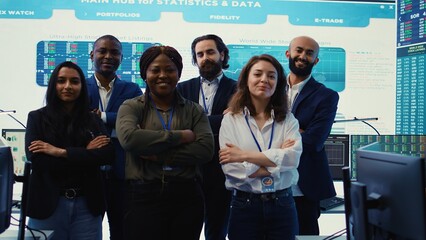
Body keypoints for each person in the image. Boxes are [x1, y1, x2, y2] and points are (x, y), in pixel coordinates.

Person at [116, 45, 214, 240]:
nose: (163, 75)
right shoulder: (131, 106)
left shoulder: (194, 110)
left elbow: (205, 150)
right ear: (145, 74)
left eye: (170, 70)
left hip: (186, 195)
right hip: (143, 195)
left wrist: (158, 154)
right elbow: (130, 139)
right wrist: (180, 136)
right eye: (155, 70)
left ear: (178, 74)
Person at [24, 61, 115, 240]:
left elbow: (107, 155)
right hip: (48, 205)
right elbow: (39, 161)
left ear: (82, 86)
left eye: (74, 81)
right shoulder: (37, 118)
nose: (67, 86)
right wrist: (86, 153)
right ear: (53, 85)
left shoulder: (93, 120)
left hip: (87, 206)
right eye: (61, 81)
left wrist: (59, 152)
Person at [219, 54, 303, 240]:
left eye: (271, 76)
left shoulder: (288, 119)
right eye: (258, 74)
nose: (264, 79)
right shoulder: (231, 119)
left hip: (282, 204)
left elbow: (293, 158)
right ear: (246, 79)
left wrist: (244, 156)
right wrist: (276, 163)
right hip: (244, 206)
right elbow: (231, 168)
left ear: (278, 83)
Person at [176, 34, 236, 240]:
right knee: (184, 229)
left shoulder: (239, 89)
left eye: (210, 52)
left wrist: (195, 126)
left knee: (217, 231)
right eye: (199, 54)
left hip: (222, 169)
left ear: (222, 54)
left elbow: (236, 125)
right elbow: (178, 125)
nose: (205, 58)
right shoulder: (182, 88)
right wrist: (220, 119)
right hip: (187, 170)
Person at [87, 34, 143, 240]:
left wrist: (100, 116)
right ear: (92, 54)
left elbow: (134, 123)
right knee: (87, 231)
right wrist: (116, 120)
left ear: (121, 58)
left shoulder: (132, 89)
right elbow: (77, 123)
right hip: (87, 173)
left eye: (115, 52)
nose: (108, 56)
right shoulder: (78, 87)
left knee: (122, 231)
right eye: (103, 51)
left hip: (122, 173)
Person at [285, 36, 339, 235]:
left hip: (304, 187)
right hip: (269, 184)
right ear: (288, 53)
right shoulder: (269, 90)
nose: (303, 56)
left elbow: (313, 142)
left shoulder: (327, 96)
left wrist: (277, 133)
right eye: (298, 50)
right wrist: (297, 131)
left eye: (309, 53)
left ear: (316, 60)